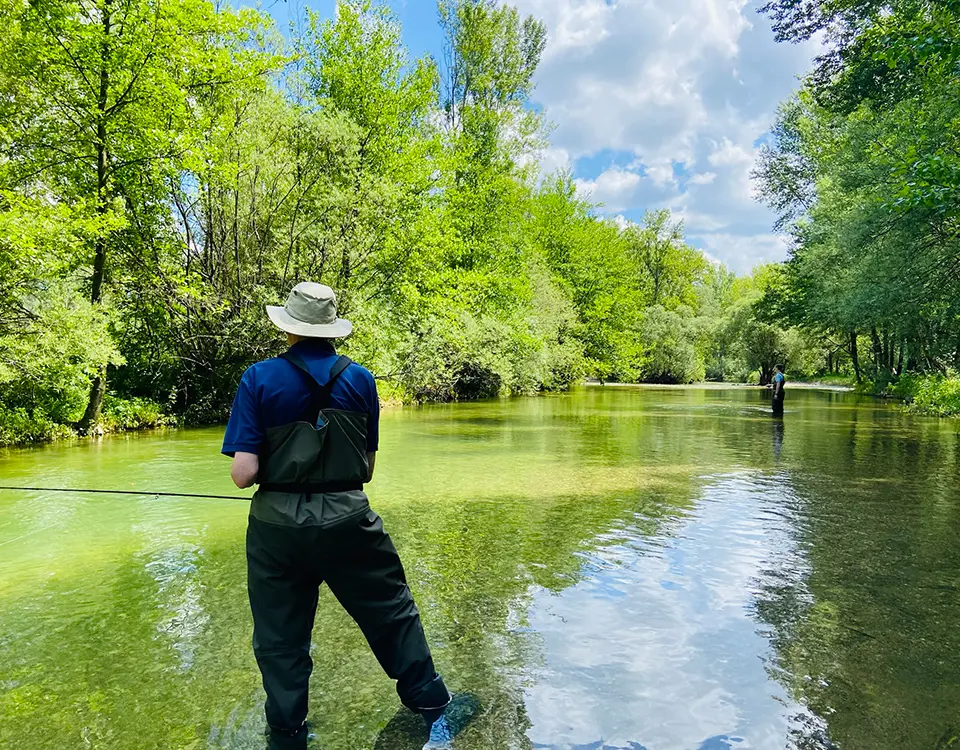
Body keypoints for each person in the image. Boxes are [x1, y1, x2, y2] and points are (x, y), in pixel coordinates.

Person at [222, 282, 459, 750]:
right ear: (332, 330)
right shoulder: (362, 379)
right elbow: (366, 469)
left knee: (280, 637)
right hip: (349, 518)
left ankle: (287, 733)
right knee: (391, 613)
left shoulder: (258, 378)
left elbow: (242, 475)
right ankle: (430, 701)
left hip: (276, 528)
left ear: (287, 328)